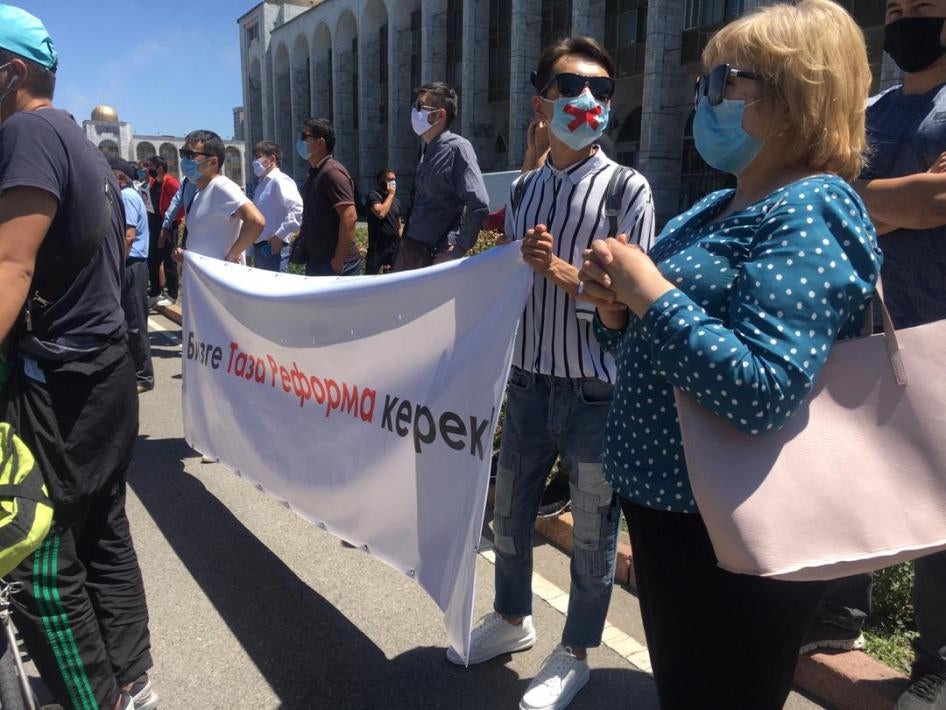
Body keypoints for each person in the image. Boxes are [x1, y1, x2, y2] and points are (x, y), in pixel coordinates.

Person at [579, 1, 883, 706]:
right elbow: (650, 344)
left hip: (734, 520)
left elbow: (763, 389)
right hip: (671, 505)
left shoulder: (815, 206)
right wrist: (618, 311)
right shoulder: (715, 206)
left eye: (724, 82)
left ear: (796, 95)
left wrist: (651, 293)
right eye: (703, 82)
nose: (704, 99)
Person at [447, 37, 656, 710]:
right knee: (510, 515)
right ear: (541, 103)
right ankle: (512, 617)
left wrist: (562, 272)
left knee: (593, 532)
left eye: (601, 89)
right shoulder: (526, 187)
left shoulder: (627, 189)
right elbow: (504, 281)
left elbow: (637, 301)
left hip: (596, 391)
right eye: (570, 87)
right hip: (529, 382)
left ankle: (576, 652)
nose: (587, 100)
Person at [0, 6, 158, 709]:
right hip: (103, 369)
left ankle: (93, 698)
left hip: (60, 379)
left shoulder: (27, 132)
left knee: (41, 558)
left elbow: (11, 264)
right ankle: (129, 677)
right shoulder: (78, 141)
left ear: (12, 72)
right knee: (101, 529)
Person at [809, 3, 946, 707]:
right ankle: (837, 620)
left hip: (937, 332)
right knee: (852, 477)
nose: (906, 19)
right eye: (896, 8)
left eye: (924, 7)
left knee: (939, 501)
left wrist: (864, 203)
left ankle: (937, 665)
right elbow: (823, 200)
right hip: (857, 330)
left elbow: (937, 200)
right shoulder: (869, 111)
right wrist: (899, 202)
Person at [391, 82, 490, 271]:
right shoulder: (427, 150)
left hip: (434, 256)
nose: (415, 111)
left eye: (420, 106)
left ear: (440, 114)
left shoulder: (457, 148)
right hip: (412, 251)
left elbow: (479, 203)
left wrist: (458, 249)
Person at [171, 129, 264, 264]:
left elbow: (256, 221)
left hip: (220, 276)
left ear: (213, 162)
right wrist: (186, 255)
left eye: (190, 155)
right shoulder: (199, 193)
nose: (184, 160)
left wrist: (232, 256)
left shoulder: (222, 187)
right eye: (183, 153)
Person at [110, 157, 154, 395]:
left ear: (120, 176)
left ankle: (144, 376)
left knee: (136, 323)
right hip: (131, 263)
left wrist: (116, 262)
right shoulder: (127, 195)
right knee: (129, 320)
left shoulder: (127, 196)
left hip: (131, 263)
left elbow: (128, 236)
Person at [296, 118, 361, 276]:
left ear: (320, 143)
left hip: (333, 263)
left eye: (305, 136)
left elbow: (349, 217)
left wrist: (338, 260)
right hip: (318, 260)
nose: (300, 141)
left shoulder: (332, 172)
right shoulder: (316, 172)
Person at [250, 140, 302, 272]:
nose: (254, 162)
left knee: (277, 284)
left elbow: (298, 210)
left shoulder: (280, 180)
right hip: (261, 249)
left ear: (272, 159)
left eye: (258, 157)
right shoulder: (261, 185)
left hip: (275, 249)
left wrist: (279, 236)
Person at [146, 156, 180, 307]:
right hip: (154, 226)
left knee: (169, 260)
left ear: (159, 168)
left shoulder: (171, 183)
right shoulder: (153, 183)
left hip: (168, 226)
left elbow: (179, 206)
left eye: (151, 166)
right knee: (152, 260)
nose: (149, 170)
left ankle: (172, 294)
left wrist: (167, 227)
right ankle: (155, 292)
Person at [365, 168, 402, 274]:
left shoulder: (396, 201)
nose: (393, 182)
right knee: (370, 278)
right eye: (390, 179)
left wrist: (401, 243)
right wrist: (391, 194)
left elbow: (398, 224)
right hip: (377, 247)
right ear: (381, 181)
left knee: (395, 277)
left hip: (393, 247)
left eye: (394, 179)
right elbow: (381, 213)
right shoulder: (374, 195)